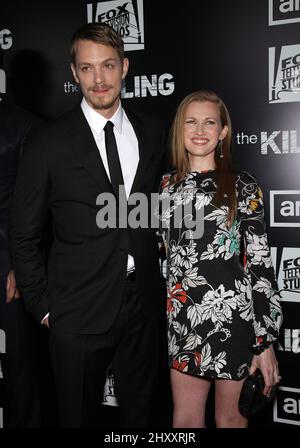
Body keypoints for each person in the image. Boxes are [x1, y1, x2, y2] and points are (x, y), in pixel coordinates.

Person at [10, 22, 167, 428]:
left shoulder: (152, 132)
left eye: (108, 66)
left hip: (143, 307)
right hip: (75, 311)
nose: (99, 79)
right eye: (87, 68)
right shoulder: (47, 141)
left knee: (144, 418)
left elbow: (155, 213)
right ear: (74, 72)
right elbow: (24, 233)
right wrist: (43, 309)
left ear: (125, 67)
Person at [158, 90, 282, 428]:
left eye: (209, 122)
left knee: (230, 421)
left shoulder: (243, 186)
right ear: (179, 130)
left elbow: (259, 264)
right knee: (184, 421)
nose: (200, 130)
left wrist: (264, 340)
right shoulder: (165, 188)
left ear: (223, 131)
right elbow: (159, 258)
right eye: (191, 122)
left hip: (235, 323)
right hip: (184, 322)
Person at [0, 97, 56, 427]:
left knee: (20, 369)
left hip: (7, 265)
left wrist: (21, 268)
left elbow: (36, 205)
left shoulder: (22, 124)